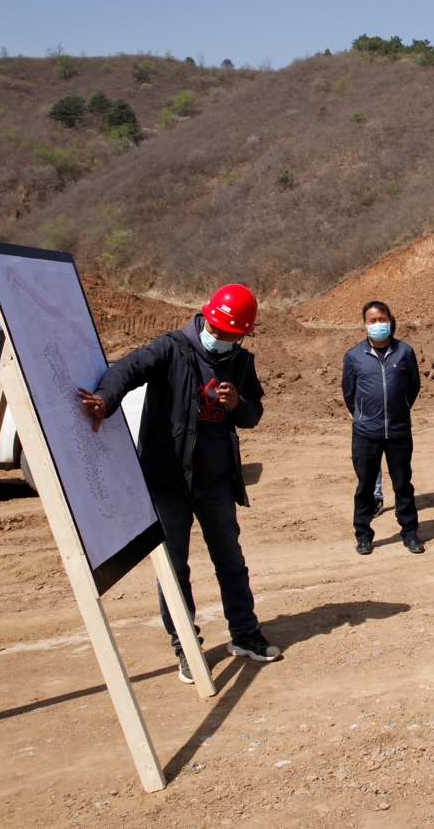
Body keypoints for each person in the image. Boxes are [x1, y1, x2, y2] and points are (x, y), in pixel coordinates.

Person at [79, 284, 276, 684]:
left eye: (230, 334)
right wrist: (106, 399)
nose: (220, 338)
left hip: (216, 482)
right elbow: (127, 370)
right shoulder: (171, 348)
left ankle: (244, 633)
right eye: (217, 330)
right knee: (174, 569)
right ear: (206, 319)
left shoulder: (241, 362)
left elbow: (253, 414)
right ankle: (186, 645)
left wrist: (237, 404)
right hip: (168, 483)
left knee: (231, 561)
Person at [341, 301, 422, 555]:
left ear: (390, 320)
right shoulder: (354, 355)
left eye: (382, 319)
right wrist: (364, 416)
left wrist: (399, 410)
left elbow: (413, 386)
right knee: (365, 486)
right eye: (373, 320)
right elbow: (349, 393)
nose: (378, 324)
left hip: (398, 431)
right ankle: (363, 535)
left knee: (403, 484)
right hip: (366, 433)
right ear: (365, 324)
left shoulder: (404, 351)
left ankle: (410, 533)